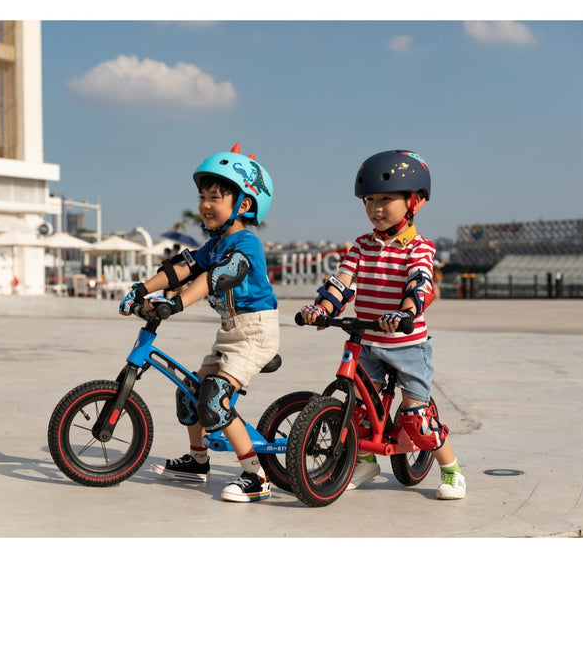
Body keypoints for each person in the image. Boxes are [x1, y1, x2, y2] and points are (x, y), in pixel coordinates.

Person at [300, 150, 466, 499]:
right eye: (370, 200)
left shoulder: (418, 247)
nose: (376, 208)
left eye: (386, 200)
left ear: (414, 201)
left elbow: (420, 283)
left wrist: (406, 312)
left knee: (416, 419)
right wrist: (321, 308)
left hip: (407, 344)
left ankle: (451, 469)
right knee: (360, 412)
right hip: (368, 342)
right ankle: (364, 462)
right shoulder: (362, 245)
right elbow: (342, 281)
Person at [120, 143, 279, 503]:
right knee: (190, 392)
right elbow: (182, 268)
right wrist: (141, 289)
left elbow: (218, 276)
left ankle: (257, 477)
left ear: (244, 205)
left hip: (256, 332)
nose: (205, 204)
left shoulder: (246, 244)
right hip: (231, 332)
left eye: (215, 197)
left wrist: (174, 303)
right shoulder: (215, 244)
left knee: (214, 400)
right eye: (202, 197)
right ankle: (197, 461)